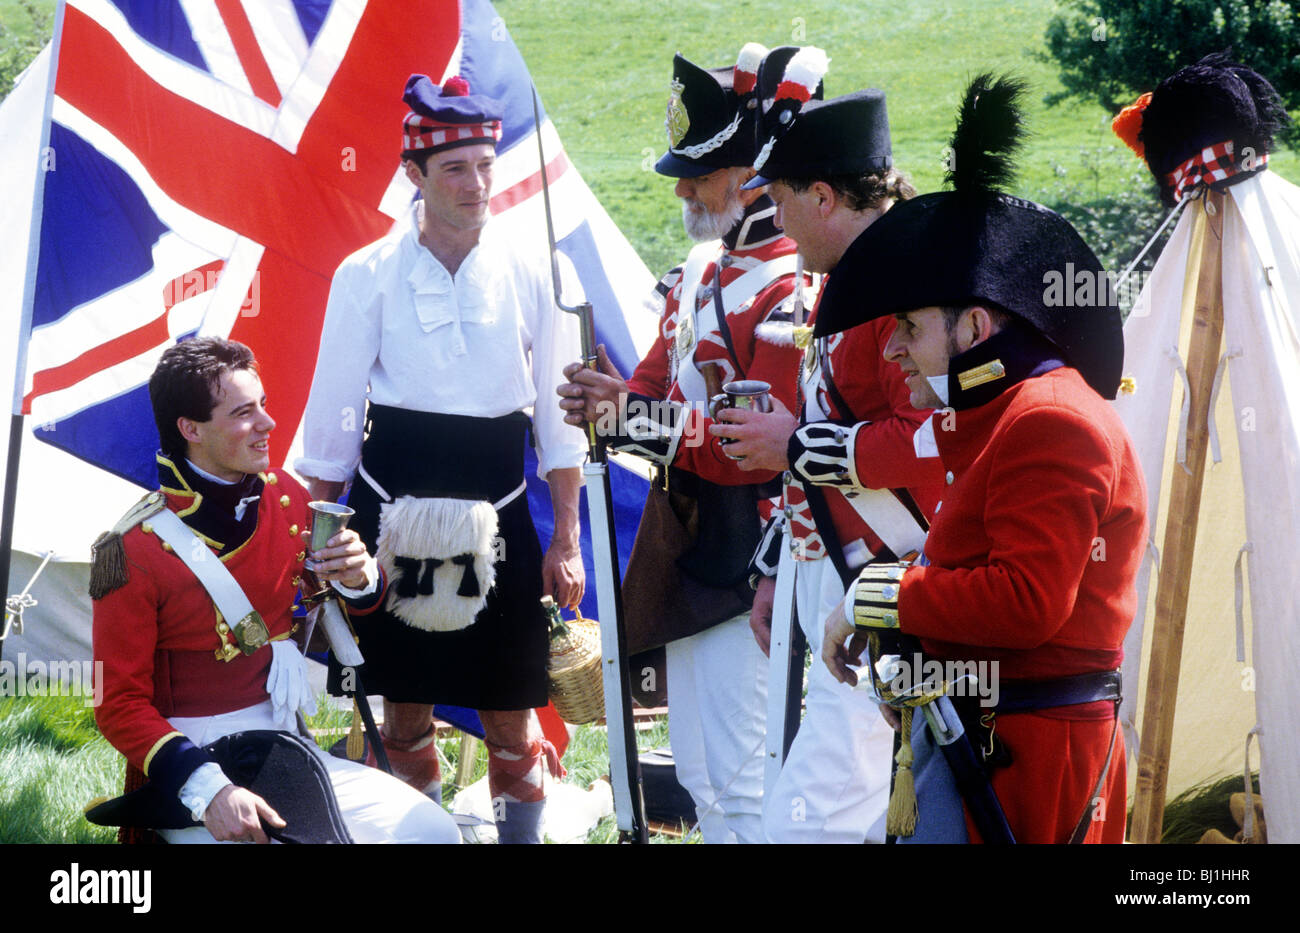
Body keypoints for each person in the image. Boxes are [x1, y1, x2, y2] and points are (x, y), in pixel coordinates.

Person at [819, 75, 1146, 843]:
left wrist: (883, 595)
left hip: (1031, 758)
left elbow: (1027, 602)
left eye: (909, 325)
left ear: (972, 325)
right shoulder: (1002, 416)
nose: (893, 347)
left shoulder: (1050, 419)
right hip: (988, 737)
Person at [295, 74, 586, 844]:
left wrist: (567, 538)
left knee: (511, 707)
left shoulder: (538, 269)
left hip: (500, 509)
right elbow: (332, 417)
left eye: (485, 165)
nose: (477, 183)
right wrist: (319, 542)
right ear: (414, 176)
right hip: (392, 515)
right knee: (406, 705)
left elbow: (560, 419)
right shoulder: (366, 275)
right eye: (455, 168)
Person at [556, 45, 807, 843]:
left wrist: (628, 419)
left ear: (753, 175)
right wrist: (607, 400)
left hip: (760, 549)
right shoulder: (696, 275)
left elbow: (743, 445)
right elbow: (652, 389)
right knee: (701, 775)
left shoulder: (794, 288)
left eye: (701, 173)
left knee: (748, 779)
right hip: (696, 546)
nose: (683, 189)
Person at [90, 337, 459, 844]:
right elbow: (116, 705)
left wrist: (358, 577)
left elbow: (345, 608)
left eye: (263, 405)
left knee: (431, 831)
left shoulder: (285, 495)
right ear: (191, 429)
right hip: (188, 760)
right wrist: (210, 790)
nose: (269, 424)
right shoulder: (131, 548)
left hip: (283, 741)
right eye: (245, 412)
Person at [711, 71, 947, 843]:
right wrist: (784, 563)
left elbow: (935, 441)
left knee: (803, 827)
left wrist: (799, 444)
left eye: (779, 200)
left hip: (889, 581)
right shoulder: (854, 282)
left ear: (823, 197)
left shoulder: (901, 292)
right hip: (841, 584)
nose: (773, 220)